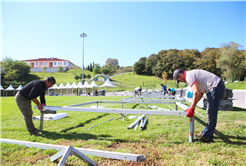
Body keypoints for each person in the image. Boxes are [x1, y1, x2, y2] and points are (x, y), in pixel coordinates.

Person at [173, 69, 225, 143]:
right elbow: (200, 93)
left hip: (216, 87)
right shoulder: (191, 75)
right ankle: (206, 133)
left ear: (181, 75)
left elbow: (196, 92)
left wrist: (192, 108)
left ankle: (208, 137)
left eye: (179, 80)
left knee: (211, 112)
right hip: (216, 87)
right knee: (210, 112)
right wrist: (192, 106)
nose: (181, 82)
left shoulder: (188, 77)